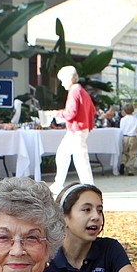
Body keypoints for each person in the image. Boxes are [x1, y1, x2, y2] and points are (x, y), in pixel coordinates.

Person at [43, 183, 137, 272]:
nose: (96, 217)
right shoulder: (46, 253)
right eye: (87, 209)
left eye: (99, 210)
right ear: (63, 217)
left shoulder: (109, 248)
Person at [50, 66, 97, 196]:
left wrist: (57, 114)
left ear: (69, 79)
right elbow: (92, 110)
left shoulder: (74, 92)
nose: (62, 83)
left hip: (76, 130)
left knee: (78, 158)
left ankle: (88, 186)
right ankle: (60, 184)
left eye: (63, 80)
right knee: (66, 155)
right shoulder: (82, 91)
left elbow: (70, 113)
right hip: (80, 129)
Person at [119, 103, 137, 176]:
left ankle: (123, 163)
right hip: (133, 137)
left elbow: (121, 129)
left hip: (125, 137)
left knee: (125, 152)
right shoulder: (136, 119)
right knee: (133, 153)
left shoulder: (123, 119)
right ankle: (130, 169)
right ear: (133, 110)